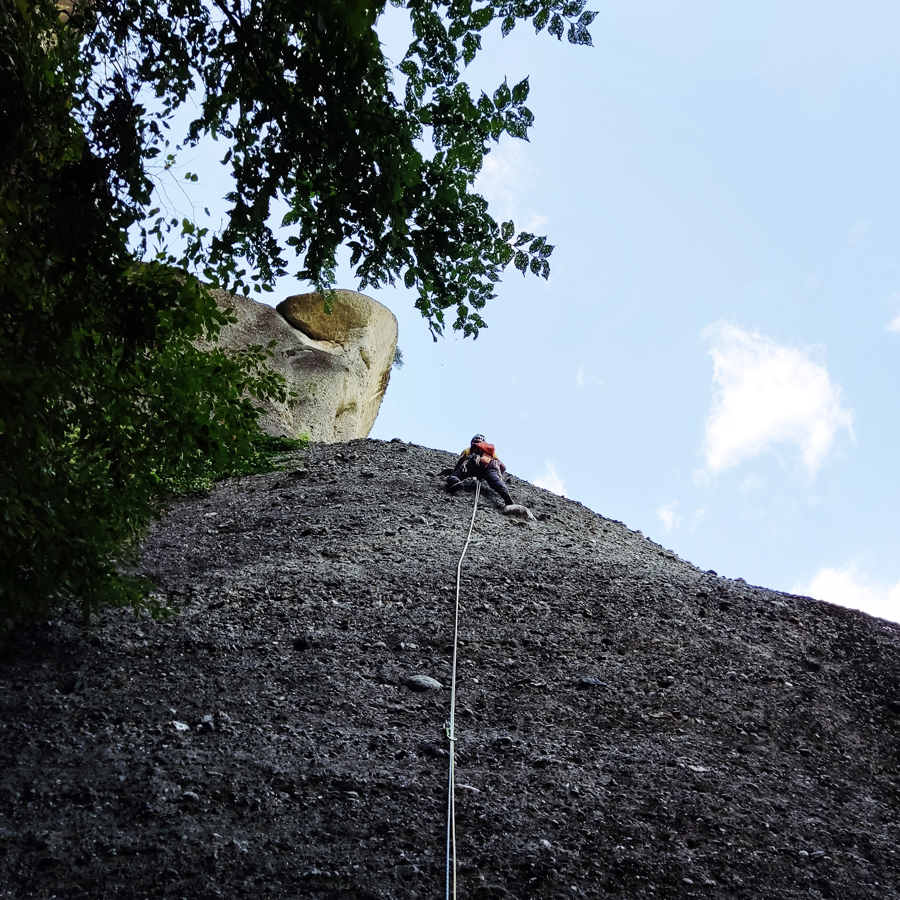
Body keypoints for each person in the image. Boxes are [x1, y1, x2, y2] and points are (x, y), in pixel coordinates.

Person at [446, 434, 514, 506]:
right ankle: (505, 495)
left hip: (474, 464)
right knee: (495, 481)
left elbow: (460, 462)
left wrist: (455, 473)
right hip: (490, 466)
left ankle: (456, 481)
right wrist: (498, 477)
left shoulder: (469, 449)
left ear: (472, 442)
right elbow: (503, 467)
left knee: (453, 476)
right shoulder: (491, 453)